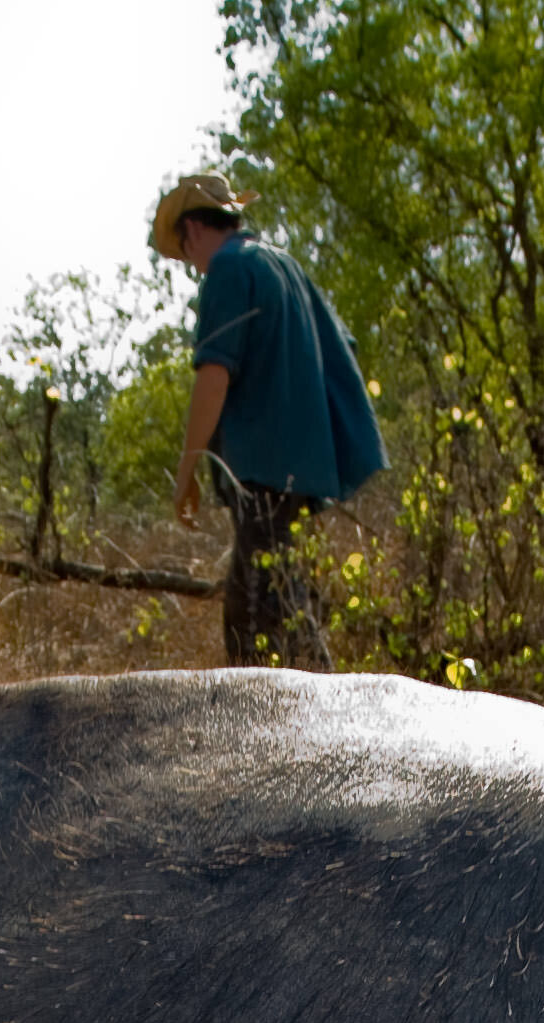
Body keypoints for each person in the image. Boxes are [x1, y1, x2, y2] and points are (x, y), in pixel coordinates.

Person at [152, 173, 384, 670]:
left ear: (193, 228)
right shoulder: (284, 265)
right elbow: (344, 347)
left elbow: (213, 377)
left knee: (253, 625)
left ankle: (285, 740)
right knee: (286, 605)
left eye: (183, 247)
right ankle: (322, 727)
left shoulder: (230, 269)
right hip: (303, 472)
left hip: (262, 473)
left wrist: (187, 471)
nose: (189, 261)